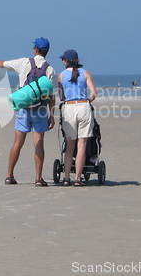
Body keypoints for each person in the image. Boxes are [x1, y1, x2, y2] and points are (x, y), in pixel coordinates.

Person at [0, 37, 56, 187]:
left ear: (35, 49)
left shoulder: (24, 63)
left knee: (17, 143)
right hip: (40, 111)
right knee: (38, 144)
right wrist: (52, 115)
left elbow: (3, 64)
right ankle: (38, 178)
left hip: (23, 109)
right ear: (46, 52)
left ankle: (9, 176)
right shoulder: (50, 70)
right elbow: (51, 95)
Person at [57, 49, 97, 186]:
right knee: (82, 145)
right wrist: (87, 101)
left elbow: (61, 97)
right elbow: (94, 94)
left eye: (63, 59)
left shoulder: (61, 76)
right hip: (83, 106)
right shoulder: (85, 73)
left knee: (69, 145)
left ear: (66, 61)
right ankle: (78, 179)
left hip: (69, 107)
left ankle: (67, 177)